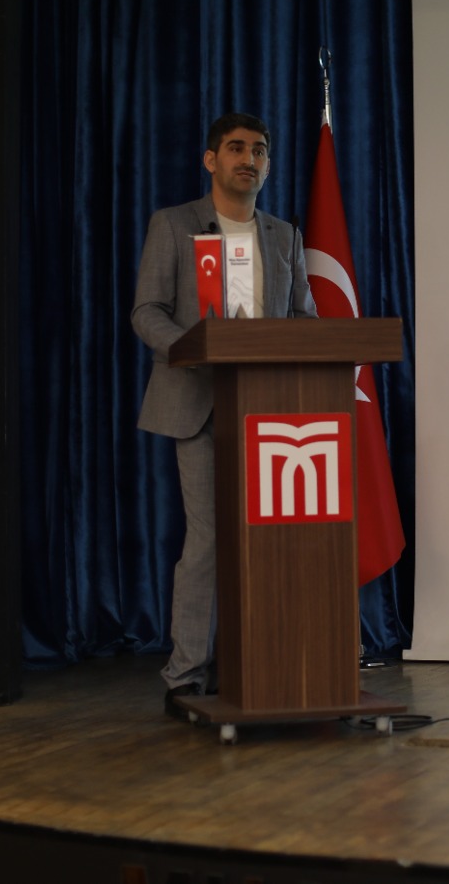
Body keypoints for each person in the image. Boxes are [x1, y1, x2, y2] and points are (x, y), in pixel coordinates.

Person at [130, 112, 316, 718]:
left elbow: (303, 318)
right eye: (236, 149)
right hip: (199, 403)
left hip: (271, 412)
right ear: (211, 160)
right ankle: (185, 675)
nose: (249, 160)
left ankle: (269, 662)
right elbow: (147, 311)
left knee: (275, 540)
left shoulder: (284, 236)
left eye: (259, 151)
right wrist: (194, 349)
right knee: (208, 540)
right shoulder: (175, 225)